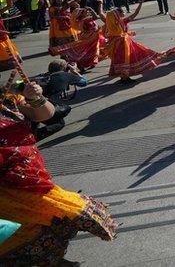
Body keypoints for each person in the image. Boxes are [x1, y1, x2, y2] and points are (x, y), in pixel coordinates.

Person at [0, 71, 116, 263]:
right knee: (35, 221)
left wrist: (35, 96)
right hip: (7, 185)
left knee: (52, 217)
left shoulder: (10, 94)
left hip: (31, 174)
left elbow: (46, 114)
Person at [97, 1, 161, 82]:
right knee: (126, 59)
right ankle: (125, 77)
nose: (124, 13)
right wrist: (140, 3)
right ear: (118, 14)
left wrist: (101, 3)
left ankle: (124, 77)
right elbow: (135, 14)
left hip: (117, 43)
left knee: (122, 59)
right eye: (122, 12)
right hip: (122, 43)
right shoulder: (122, 21)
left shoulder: (108, 22)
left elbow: (100, 13)